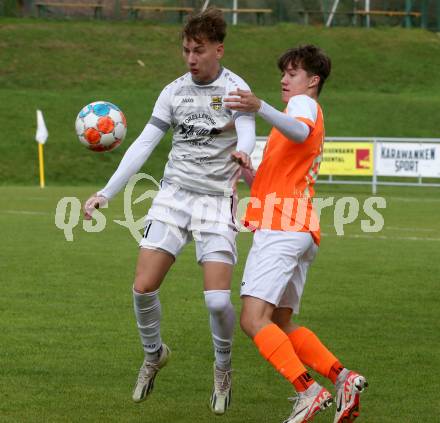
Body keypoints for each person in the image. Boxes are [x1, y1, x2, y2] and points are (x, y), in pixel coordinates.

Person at [83, 7, 255, 415]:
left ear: (218, 49)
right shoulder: (173, 91)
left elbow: (247, 127)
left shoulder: (236, 89)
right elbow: (144, 143)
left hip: (215, 201)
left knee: (216, 302)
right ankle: (153, 353)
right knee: (142, 287)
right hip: (174, 196)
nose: (191, 58)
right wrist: (107, 192)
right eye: (185, 50)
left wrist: (245, 151)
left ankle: (223, 367)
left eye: (198, 50)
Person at [224, 45, 367, 423]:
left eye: (293, 73)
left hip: (283, 226)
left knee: (253, 320)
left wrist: (260, 107)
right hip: (298, 225)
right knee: (281, 323)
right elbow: (284, 166)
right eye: (284, 73)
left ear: (313, 80)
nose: (284, 80)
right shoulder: (292, 117)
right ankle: (344, 378)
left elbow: (300, 132)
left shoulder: (301, 107)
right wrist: (249, 170)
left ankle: (308, 390)